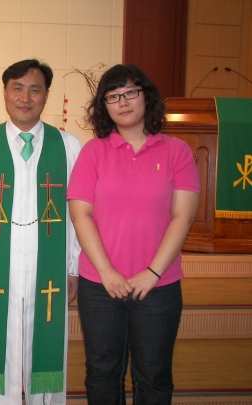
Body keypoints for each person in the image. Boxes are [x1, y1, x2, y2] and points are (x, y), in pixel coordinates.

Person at [67, 64, 200, 405]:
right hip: (100, 285)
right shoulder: (93, 152)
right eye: (112, 96)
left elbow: (182, 217)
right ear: (103, 106)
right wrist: (107, 272)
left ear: (146, 96)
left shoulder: (177, 151)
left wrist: (152, 273)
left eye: (130, 92)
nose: (122, 102)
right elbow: (81, 215)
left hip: (158, 286)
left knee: (153, 376)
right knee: (102, 372)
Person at [0, 59, 82, 405]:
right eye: (17, 88)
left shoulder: (68, 146)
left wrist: (73, 267)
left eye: (35, 89)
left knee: (45, 339)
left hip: (48, 263)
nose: (25, 98)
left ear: (46, 95)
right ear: (5, 93)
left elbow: (78, 214)